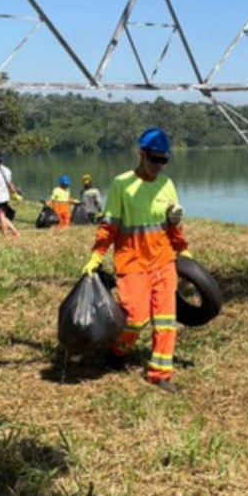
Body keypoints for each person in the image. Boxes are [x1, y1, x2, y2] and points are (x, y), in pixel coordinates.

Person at [81, 127, 191, 394]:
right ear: (140, 155)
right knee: (135, 317)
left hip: (163, 261)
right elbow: (109, 226)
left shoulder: (167, 185)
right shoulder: (121, 185)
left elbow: (171, 225)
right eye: (154, 159)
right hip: (132, 262)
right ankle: (118, 351)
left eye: (163, 160)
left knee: (166, 320)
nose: (158, 165)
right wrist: (97, 255)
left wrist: (182, 248)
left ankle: (159, 374)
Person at [0, 150, 22, 237]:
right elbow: (10, 184)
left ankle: (6, 233)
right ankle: (14, 232)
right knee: (2, 215)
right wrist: (14, 193)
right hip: (5, 197)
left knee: (1, 216)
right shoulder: (7, 170)